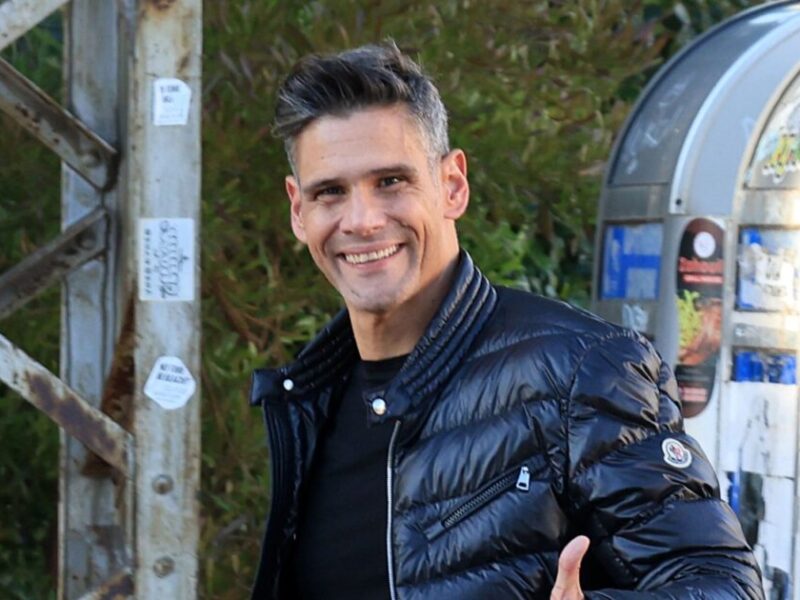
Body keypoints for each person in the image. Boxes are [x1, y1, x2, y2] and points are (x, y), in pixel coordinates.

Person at [249, 42, 764, 599]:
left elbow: (722, 584)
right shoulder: (309, 401)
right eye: (330, 192)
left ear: (452, 185)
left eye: (391, 182)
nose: (363, 220)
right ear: (299, 211)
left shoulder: (581, 372)